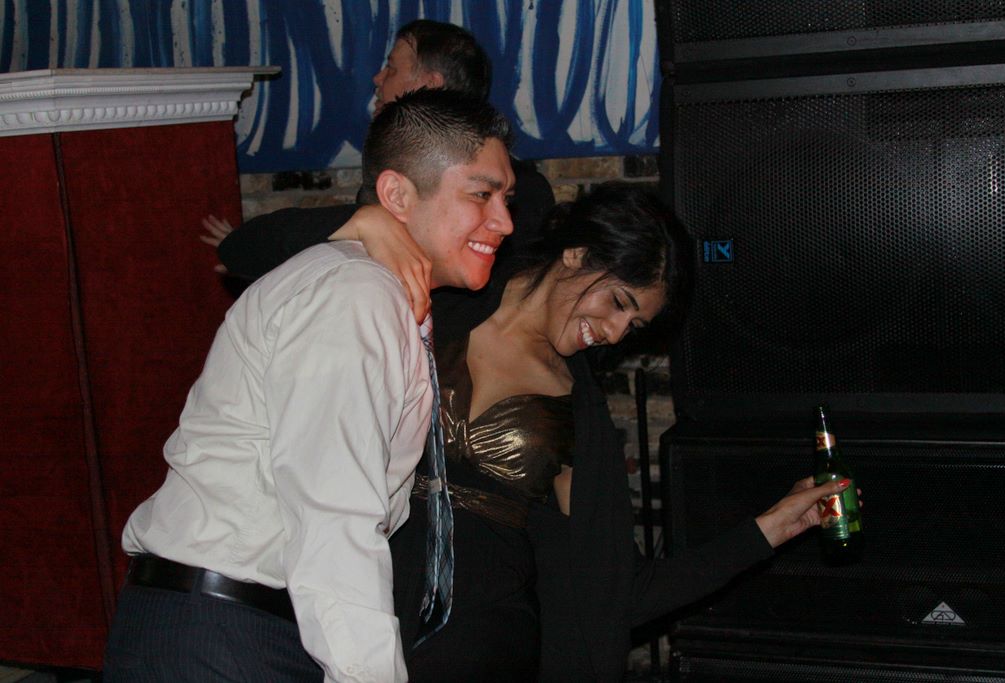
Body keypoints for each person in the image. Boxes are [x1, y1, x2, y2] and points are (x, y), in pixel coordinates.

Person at [223, 182, 856, 681]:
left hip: (483, 648)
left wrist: (769, 528)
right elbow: (246, 251)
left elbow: (619, 589)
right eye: (618, 303)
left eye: (633, 327)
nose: (615, 333)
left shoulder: (577, 415)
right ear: (577, 255)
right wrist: (368, 223)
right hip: (343, 618)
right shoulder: (441, 294)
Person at [102, 88, 515, 683]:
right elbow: (335, 512)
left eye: (506, 199)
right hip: (223, 634)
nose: (503, 221)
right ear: (397, 195)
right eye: (481, 194)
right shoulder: (355, 294)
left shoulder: (375, 289)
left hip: (235, 626)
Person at [204, 18, 554, 320]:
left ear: (429, 85)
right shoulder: (386, 203)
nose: (377, 78)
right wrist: (366, 221)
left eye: (392, 68)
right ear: (395, 194)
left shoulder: (528, 193)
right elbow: (241, 252)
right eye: (482, 194)